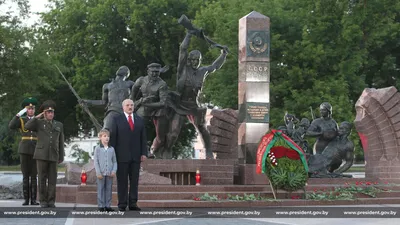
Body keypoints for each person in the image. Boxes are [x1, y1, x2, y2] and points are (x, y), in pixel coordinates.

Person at [166, 30, 228, 159]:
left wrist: (223, 54)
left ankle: (209, 151)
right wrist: (188, 34)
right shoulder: (182, 69)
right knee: (173, 133)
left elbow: (215, 66)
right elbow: (182, 49)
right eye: (193, 60)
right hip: (180, 105)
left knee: (202, 129)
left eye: (198, 60)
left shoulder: (202, 71)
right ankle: (167, 151)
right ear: (189, 60)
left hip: (194, 105)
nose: (195, 62)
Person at [109, 99, 148, 211]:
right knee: (122, 181)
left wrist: (144, 153)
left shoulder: (139, 120)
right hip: (121, 156)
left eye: (132, 105)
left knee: (134, 181)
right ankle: (122, 203)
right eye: (128, 105)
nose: (130, 107)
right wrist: (113, 155)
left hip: (136, 156)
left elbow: (143, 138)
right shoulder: (116, 120)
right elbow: (113, 139)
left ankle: (133, 203)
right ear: (123, 107)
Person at [25, 100, 64, 208]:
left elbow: (61, 141)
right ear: (44, 113)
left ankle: (51, 201)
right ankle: (43, 201)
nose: (51, 114)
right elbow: (27, 126)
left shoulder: (59, 125)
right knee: (42, 179)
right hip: (41, 154)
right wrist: (38, 116)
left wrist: (61, 156)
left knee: (52, 179)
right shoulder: (38, 123)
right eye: (48, 112)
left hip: (54, 155)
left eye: (52, 112)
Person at [130, 63, 171, 158]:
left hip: (158, 109)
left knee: (160, 135)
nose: (154, 74)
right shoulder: (141, 80)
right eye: (152, 72)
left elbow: (162, 103)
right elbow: (133, 91)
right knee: (139, 126)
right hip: (144, 108)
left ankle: (156, 149)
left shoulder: (162, 84)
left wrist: (146, 103)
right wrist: (133, 102)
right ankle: (144, 150)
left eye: (157, 72)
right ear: (148, 71)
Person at [80, 66, 134, 131]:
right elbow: (103, 102)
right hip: (113, 111)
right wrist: (88, 102)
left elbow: (138, 96)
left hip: (126, 112)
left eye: (125, 69)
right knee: (106, 130)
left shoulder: (130, 84)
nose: (121, 69)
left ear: (126, 74)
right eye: (120, 68)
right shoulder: (107, 86)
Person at [8, 97, 40, 205]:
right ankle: (26, 199)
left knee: (34, 176)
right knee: (26, 175)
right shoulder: (22, 120)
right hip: (24, 149)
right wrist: (18, 115)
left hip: (35, 149)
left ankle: (34, 199)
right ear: (26, 110)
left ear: (34, 110)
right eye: (28, 109)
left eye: (32, 109)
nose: (31, 110)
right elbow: (11, 126)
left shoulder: (38, 121)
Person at [94, 129, 117, 212]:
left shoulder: (112, 149)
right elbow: (96, 161)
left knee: (109, 189)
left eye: (108, 136)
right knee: (100, 189)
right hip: (101, 174)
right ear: (100, 138)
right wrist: (98, 172)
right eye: (104, 136)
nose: (107, 138)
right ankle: (101, 206)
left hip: (110, 173)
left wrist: (114, 171)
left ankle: (108, 205)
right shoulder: (97, 149)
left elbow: (114, 161)